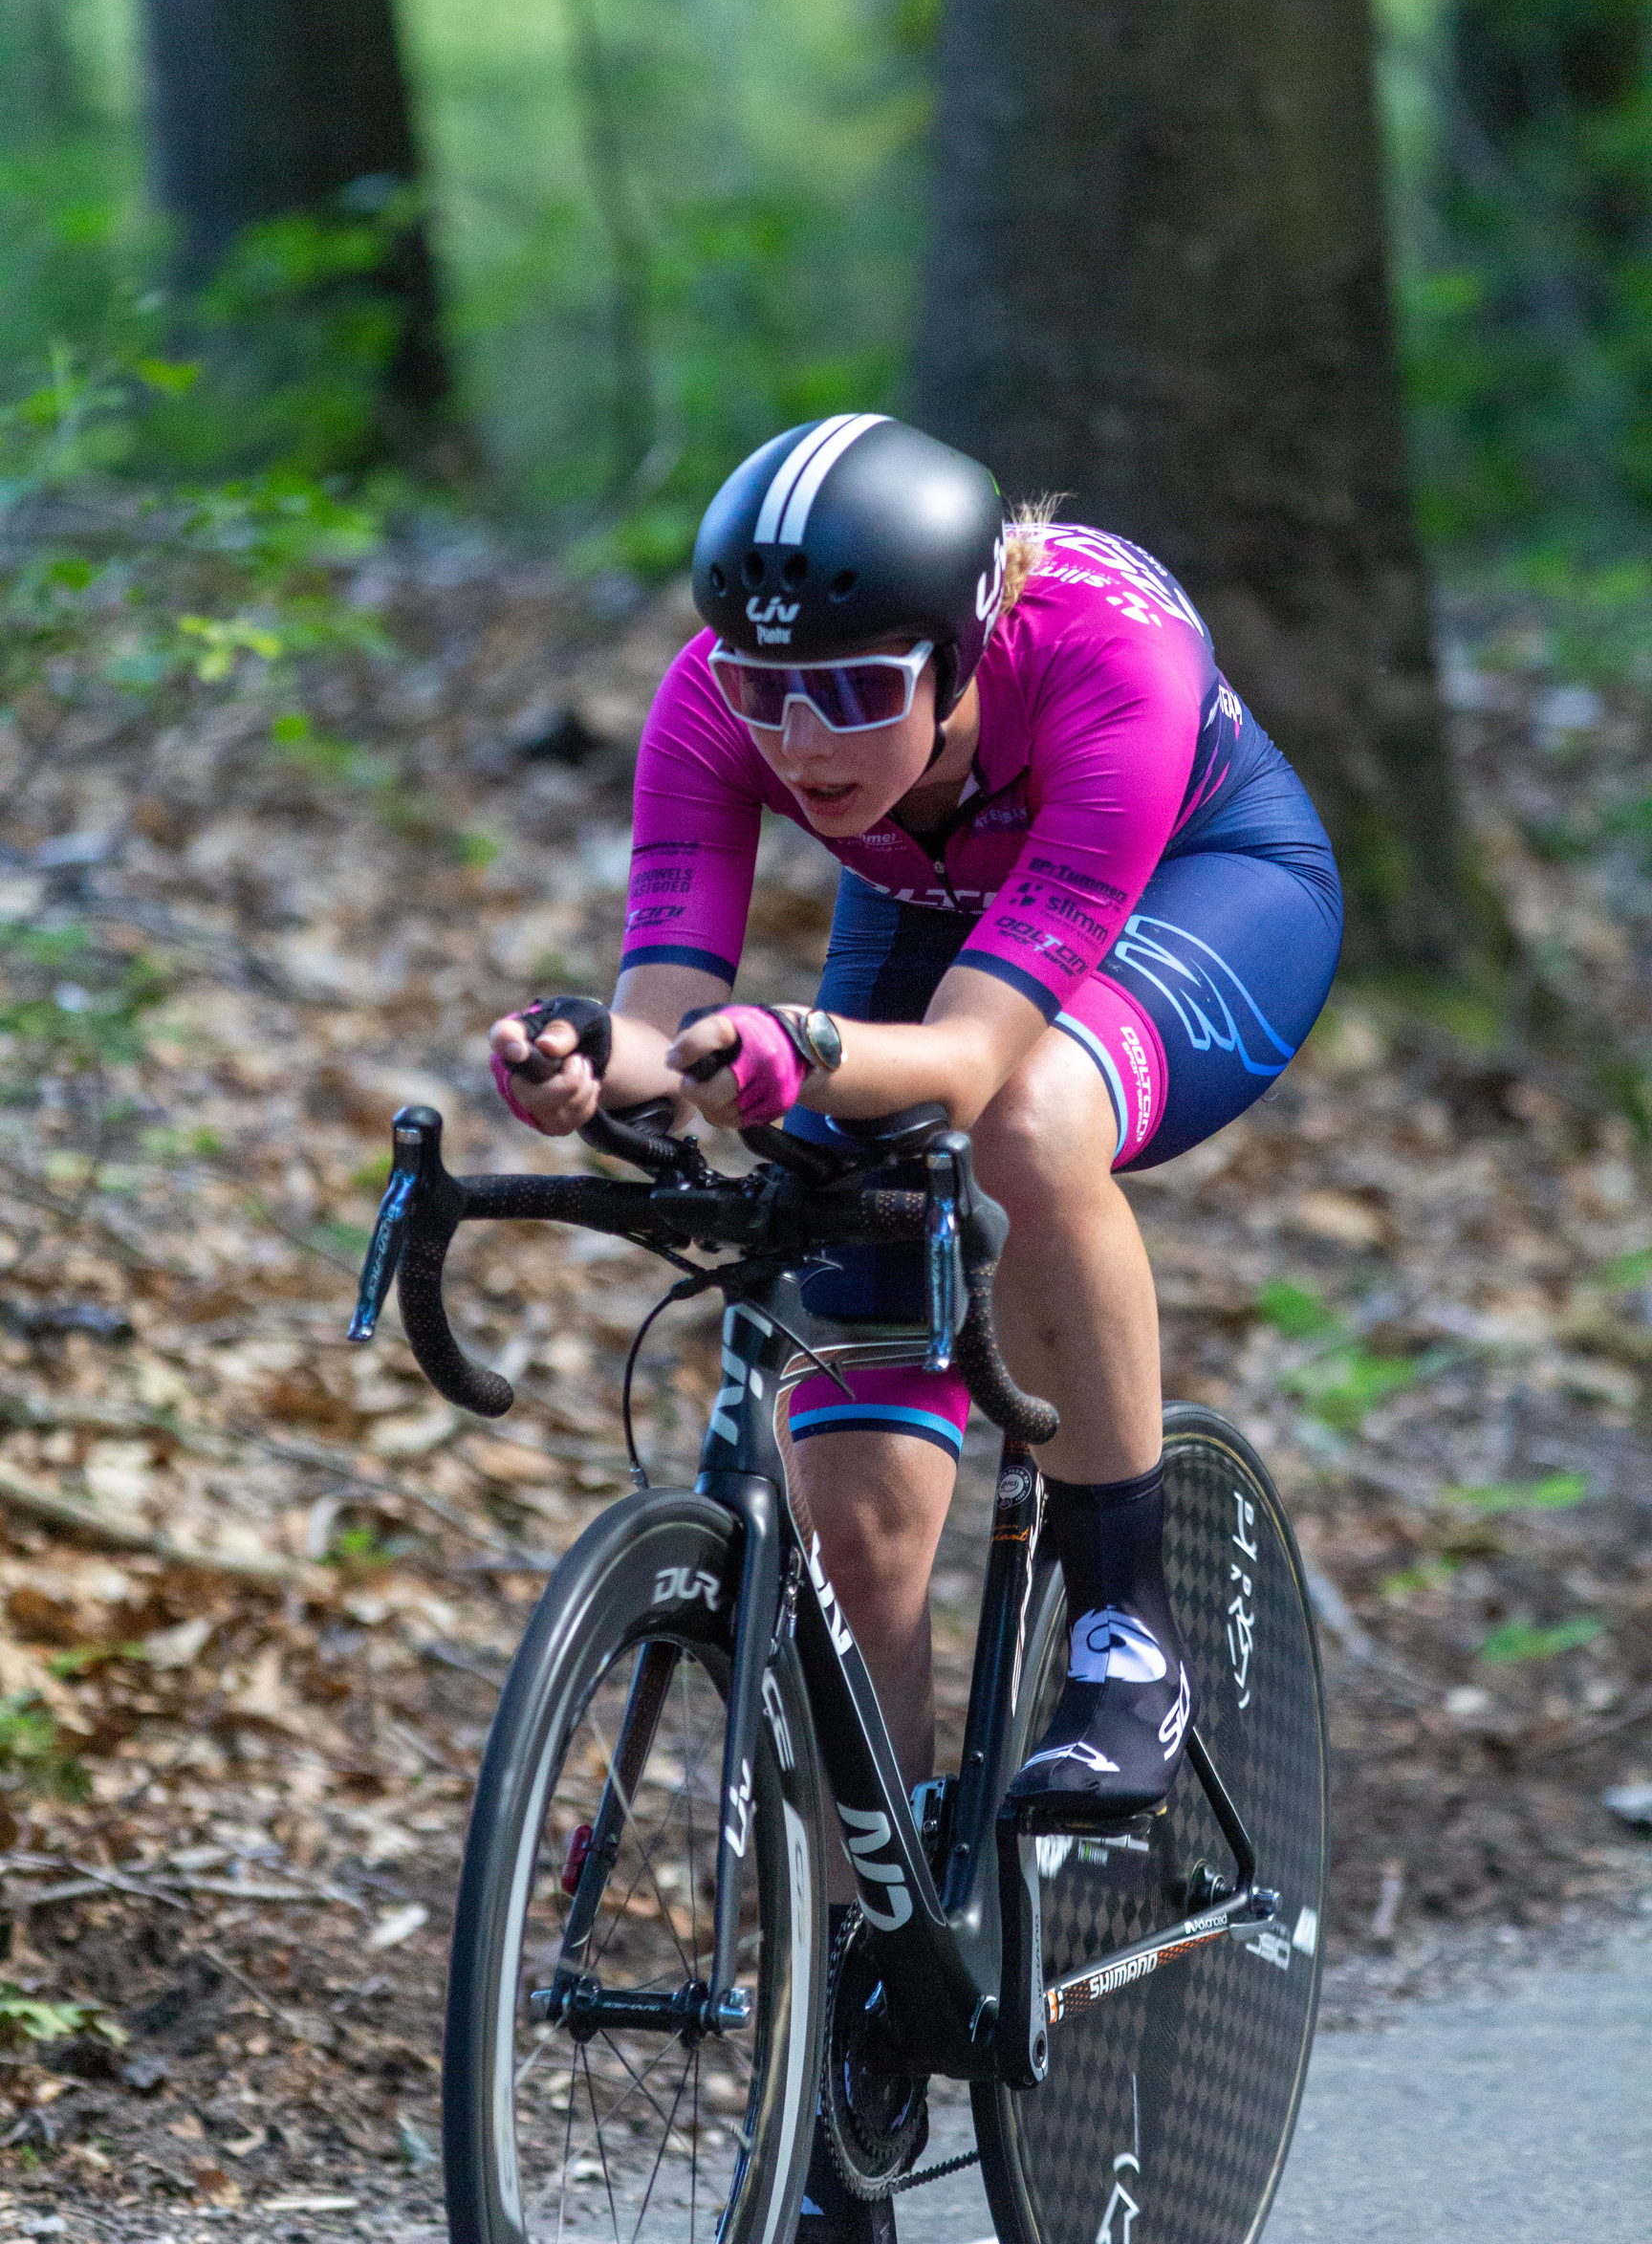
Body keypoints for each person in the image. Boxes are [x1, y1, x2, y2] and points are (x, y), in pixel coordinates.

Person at [489, 414, 1341, 2239]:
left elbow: (961, 1060)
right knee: (857, 1534)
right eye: (769, 692)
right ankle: (861, 2005)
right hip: (938, 908)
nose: (801, 739)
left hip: (1204, 885)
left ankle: (1127, 1621)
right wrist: (587, 1063)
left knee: (1024, 1126)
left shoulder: (1107, 661)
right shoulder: (727, 702)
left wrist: (805, 1059)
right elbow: (672, 1012)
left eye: (859, 691)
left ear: (962, 647)